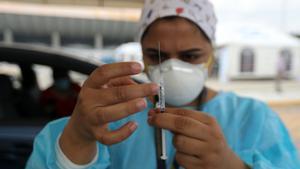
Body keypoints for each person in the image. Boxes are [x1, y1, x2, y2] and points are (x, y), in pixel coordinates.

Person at [26, 0, 300, 169]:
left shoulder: (253, 119)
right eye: (156, 56)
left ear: (212, 53)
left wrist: (235, 167)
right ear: (141, 54)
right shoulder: (111, 117)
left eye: (191, 56)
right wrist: (78, 137)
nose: (172, 67)